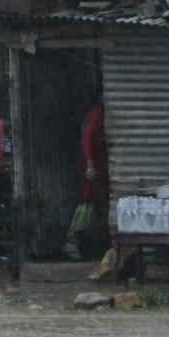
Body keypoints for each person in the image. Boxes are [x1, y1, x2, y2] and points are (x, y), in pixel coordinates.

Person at [63, 97, 109, 260]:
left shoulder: (106, 113)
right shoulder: (97, 112)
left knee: (100, 203)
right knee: (87, 202)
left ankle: (95, 245)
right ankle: (72, 240)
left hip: (101, 167)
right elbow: (87, 138)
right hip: (91, 166)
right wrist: (90, 165)